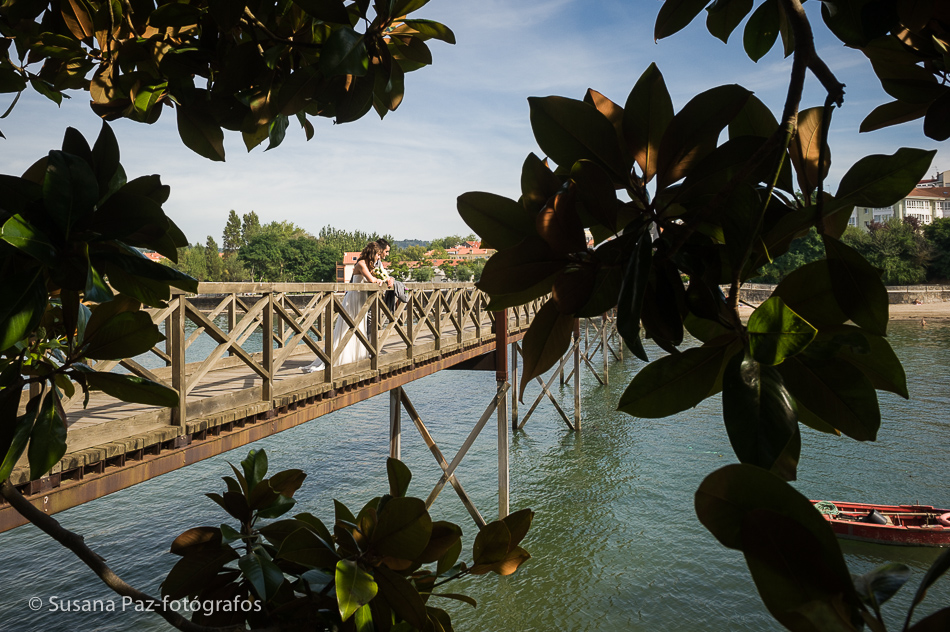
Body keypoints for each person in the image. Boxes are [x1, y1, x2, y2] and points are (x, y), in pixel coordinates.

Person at [302, 242, 387, 373]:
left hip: (362, 299)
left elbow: (375, 278)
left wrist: (383, 278)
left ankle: (356, 356)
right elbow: (372, 280)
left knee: (359, 328)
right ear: (372, 253)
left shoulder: (369, 265)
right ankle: (341, 357)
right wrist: (380, 280)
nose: (379, 258)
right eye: (378, 255)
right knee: (349, 327)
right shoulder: (361, 264)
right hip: (354, 299)